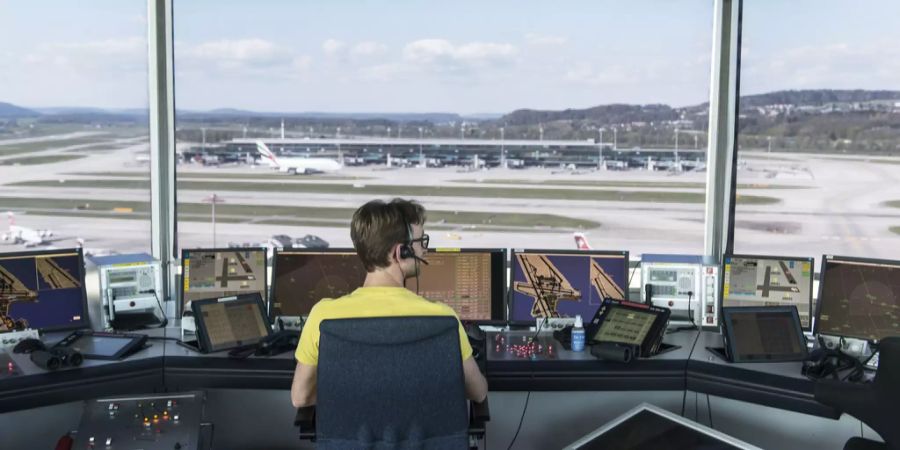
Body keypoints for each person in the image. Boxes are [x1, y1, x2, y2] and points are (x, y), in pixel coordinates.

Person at [290, 198, 489, 407]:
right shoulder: (443, 318)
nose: (424, 251)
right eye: (420, 243)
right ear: (400, 252)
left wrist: (358, 397)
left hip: (350, 440)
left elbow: (300, 398)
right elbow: (478, 392)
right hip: (422, 439)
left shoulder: (323, 316)